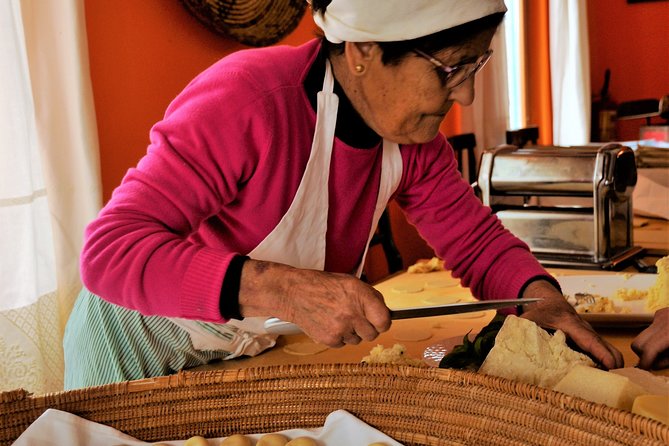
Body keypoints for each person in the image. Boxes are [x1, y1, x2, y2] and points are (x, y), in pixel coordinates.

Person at [63, 0, 624, 389]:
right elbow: (110, 251)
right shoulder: (248, 101)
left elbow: (475, 242)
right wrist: (285, 290)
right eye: (451, 69)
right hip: (136, 344)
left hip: (243, 352)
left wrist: (541, 302)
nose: (468, 96)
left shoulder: (413, 137)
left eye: (477, 64)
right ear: (362, 50)